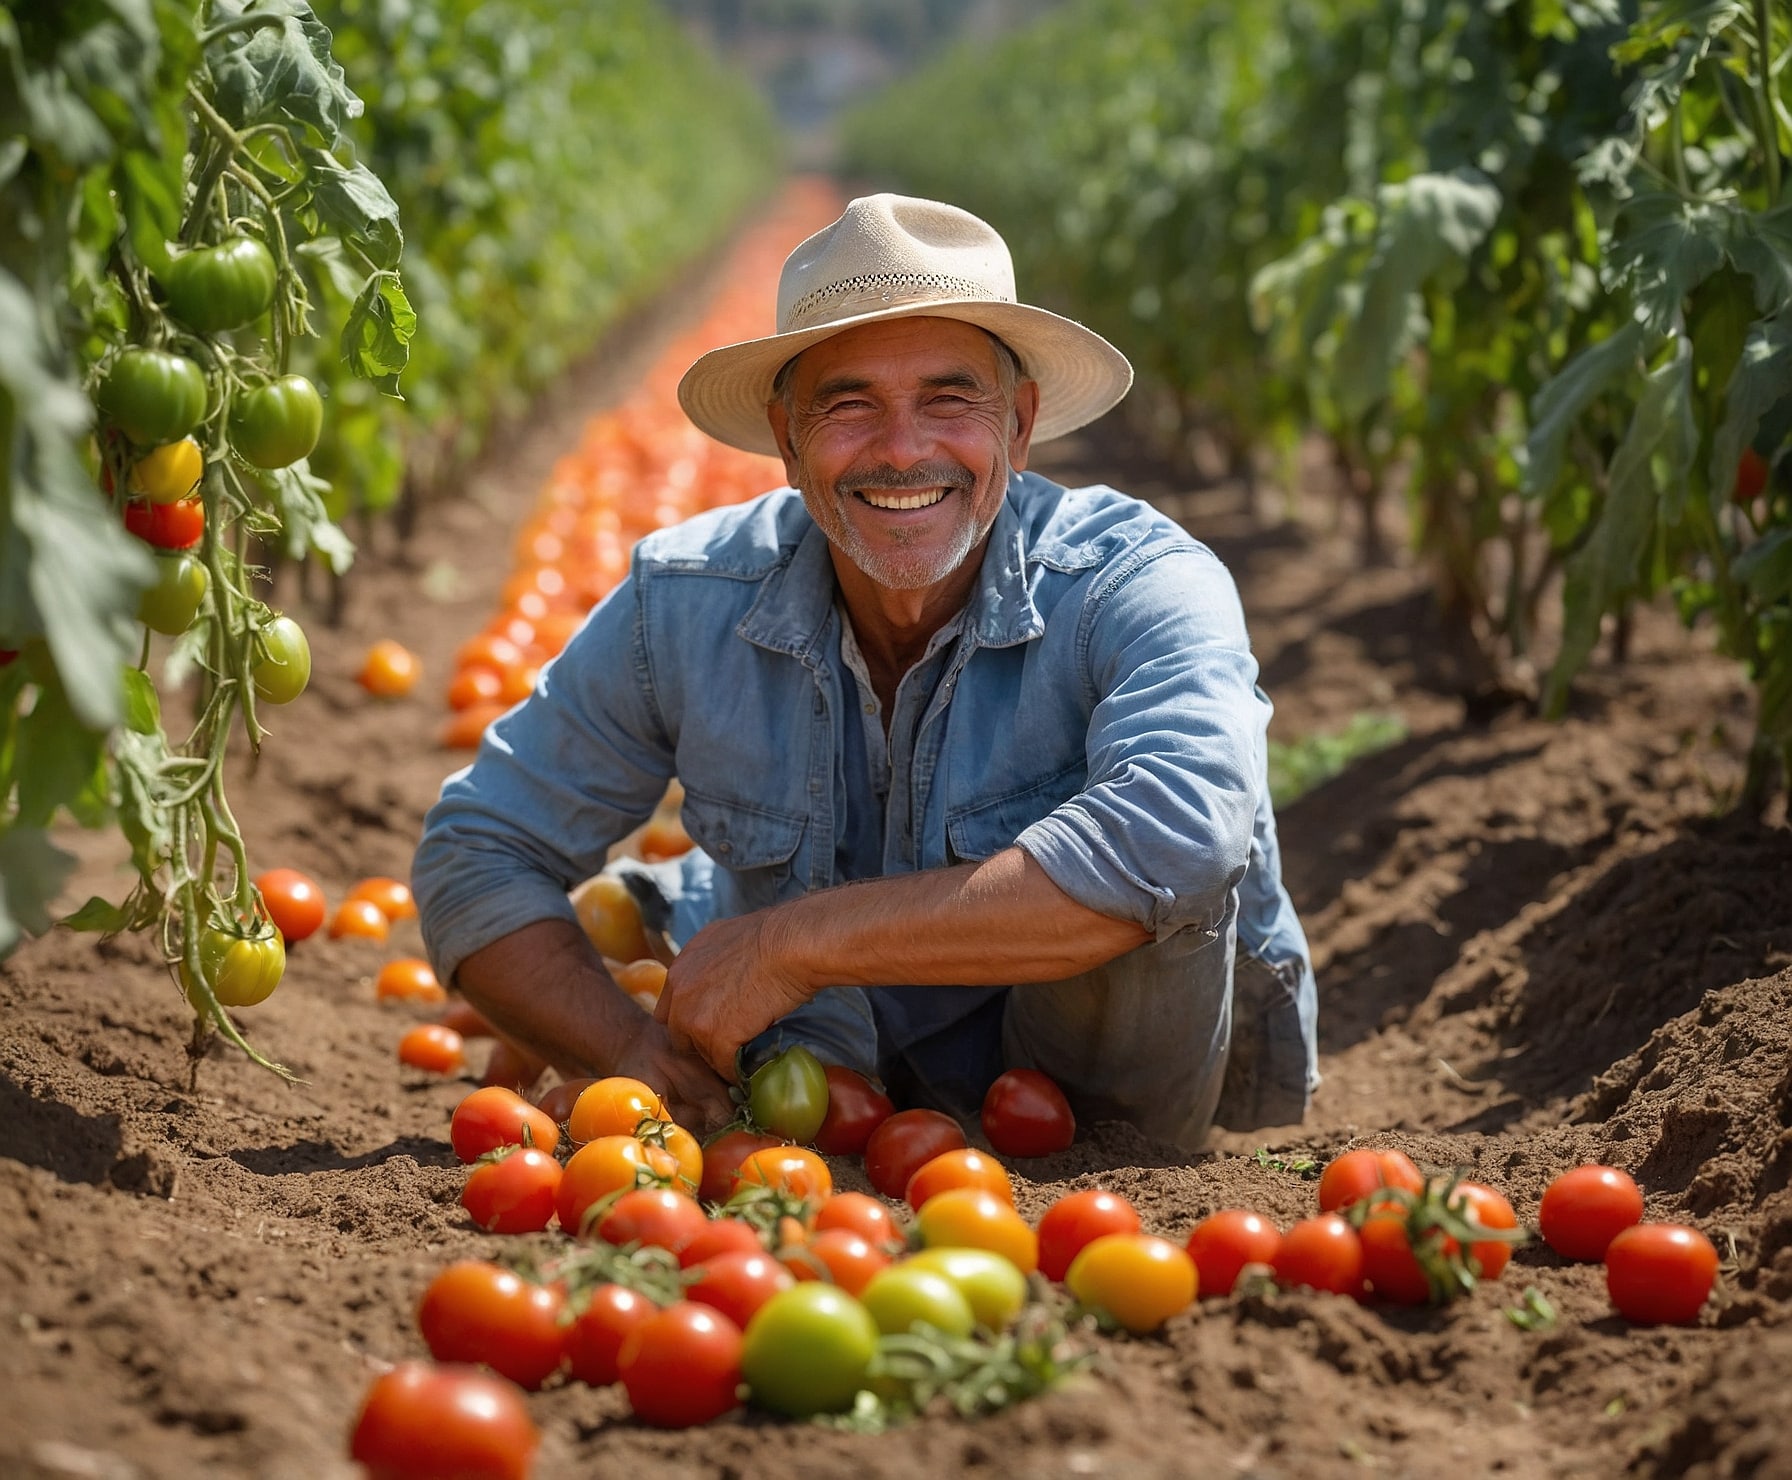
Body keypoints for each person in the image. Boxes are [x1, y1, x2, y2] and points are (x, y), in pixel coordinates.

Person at [412, 193, 1317, 1146]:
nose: (901, 449)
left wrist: (792, 945)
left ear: (1018, 424)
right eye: (849, 405)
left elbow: (1176, 842)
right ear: (786, 439)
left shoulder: (1137, 585)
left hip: (1098, 1147)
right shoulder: (684, 602)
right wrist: (628, 1052)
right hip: (812, 1127)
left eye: (949, 398)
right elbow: (477, 850)